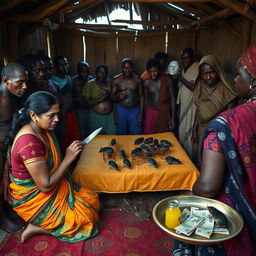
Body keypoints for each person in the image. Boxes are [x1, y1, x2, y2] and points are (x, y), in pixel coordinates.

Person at [173, 44, 256, 256]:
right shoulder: (223, 116)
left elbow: (209, 186)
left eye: (238, 75)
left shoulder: (227, 123)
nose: (235, 79)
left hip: (238, 205)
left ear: (253, 80)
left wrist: (190, 193)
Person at [6, 91, 100, 243]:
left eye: (57, 114)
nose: (57, 119)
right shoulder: (29, 143)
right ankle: (37, 227)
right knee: (85, 219)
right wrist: (69, 158)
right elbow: (46, 186)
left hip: (49, 186)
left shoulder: (41, 129)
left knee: (91, 199)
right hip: (34, 198)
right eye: (51, 116)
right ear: (33, 116)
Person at [0, 62, 28, 233]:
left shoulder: (12, 97)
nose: (25, 86)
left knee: (6, 182)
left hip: (7, 147)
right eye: (20, 82)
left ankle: (7, 211)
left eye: (26, 82)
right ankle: (2, 219)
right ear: (6, 80)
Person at [193, 55, 237, 144]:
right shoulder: (200, 86)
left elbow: (228, 119)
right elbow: (199, 110)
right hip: (201, 130)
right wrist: (194, 129)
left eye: (212, 72)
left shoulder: (227, 89)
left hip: (218, 134)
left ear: (218, 71)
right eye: (204, 74)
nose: (208, 77)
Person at [51, 56, 80, 152]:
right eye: (61, 65)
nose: (65, 67)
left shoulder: (69, 78)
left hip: (72, 114)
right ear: (55, 67)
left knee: (74, 139)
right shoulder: (53, 81)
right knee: (64, 140)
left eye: (66, 64)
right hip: (62, 116)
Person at [175, 48, 199, 161]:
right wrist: (178, 106)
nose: (186, 60)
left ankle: (190, 161)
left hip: (193, 107)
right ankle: (183, 160)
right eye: (183, 58)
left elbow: (195, 87)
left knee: (190, 133)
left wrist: (180, 78)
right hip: (183, 105)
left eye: (188, 57)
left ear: (192, 57)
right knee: (181, 133)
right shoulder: (183, 70)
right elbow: (180, 90)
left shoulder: (197, 67)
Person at [111, 58, 144, 135]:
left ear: (133, 68)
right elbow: (112, 97)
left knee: (137, 135)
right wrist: (115, 114)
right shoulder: (116, 80)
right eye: (125, 68)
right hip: (121, 110)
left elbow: (142, 97)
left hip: (135, 110)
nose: (127, 70)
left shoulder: (137, 79)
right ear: (121, 68)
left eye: (129, 67)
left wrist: (141, 114)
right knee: (121, 134)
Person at [143, 58, 176, 134]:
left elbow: (173, 98)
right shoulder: (147, 82)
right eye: (150, 72)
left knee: (163, 137)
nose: (153, 74)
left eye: (155, 71)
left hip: (164, 112)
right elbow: (146, 99)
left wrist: (172, 118)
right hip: (151, 112)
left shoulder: (167, 80)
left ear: (159, 70)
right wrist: (144, 115)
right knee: (148, 136)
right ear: (148, 71)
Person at [83, 64, 116, 135]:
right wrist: (101, 99)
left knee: (112, 137)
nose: (102, 74)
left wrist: (108, 95)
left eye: (104, 72)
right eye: (99, 72)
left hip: (110, 117)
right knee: (96, 139)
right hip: (96, 117)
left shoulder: (110, 82)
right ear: (96, 73)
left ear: (107, 73)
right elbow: (86, 102)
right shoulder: (90, 84)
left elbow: (114, 100)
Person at [72, 61, 94, 140]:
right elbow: (69, 99)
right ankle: (82, 151)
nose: (85, 74)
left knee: (91, 132)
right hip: (79, 110)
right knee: (81, 133)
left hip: (91, 109)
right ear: (78, 71)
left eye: (87, 71)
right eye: (83, 72)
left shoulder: (91, 80)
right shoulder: (73, 81)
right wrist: (79, 100)